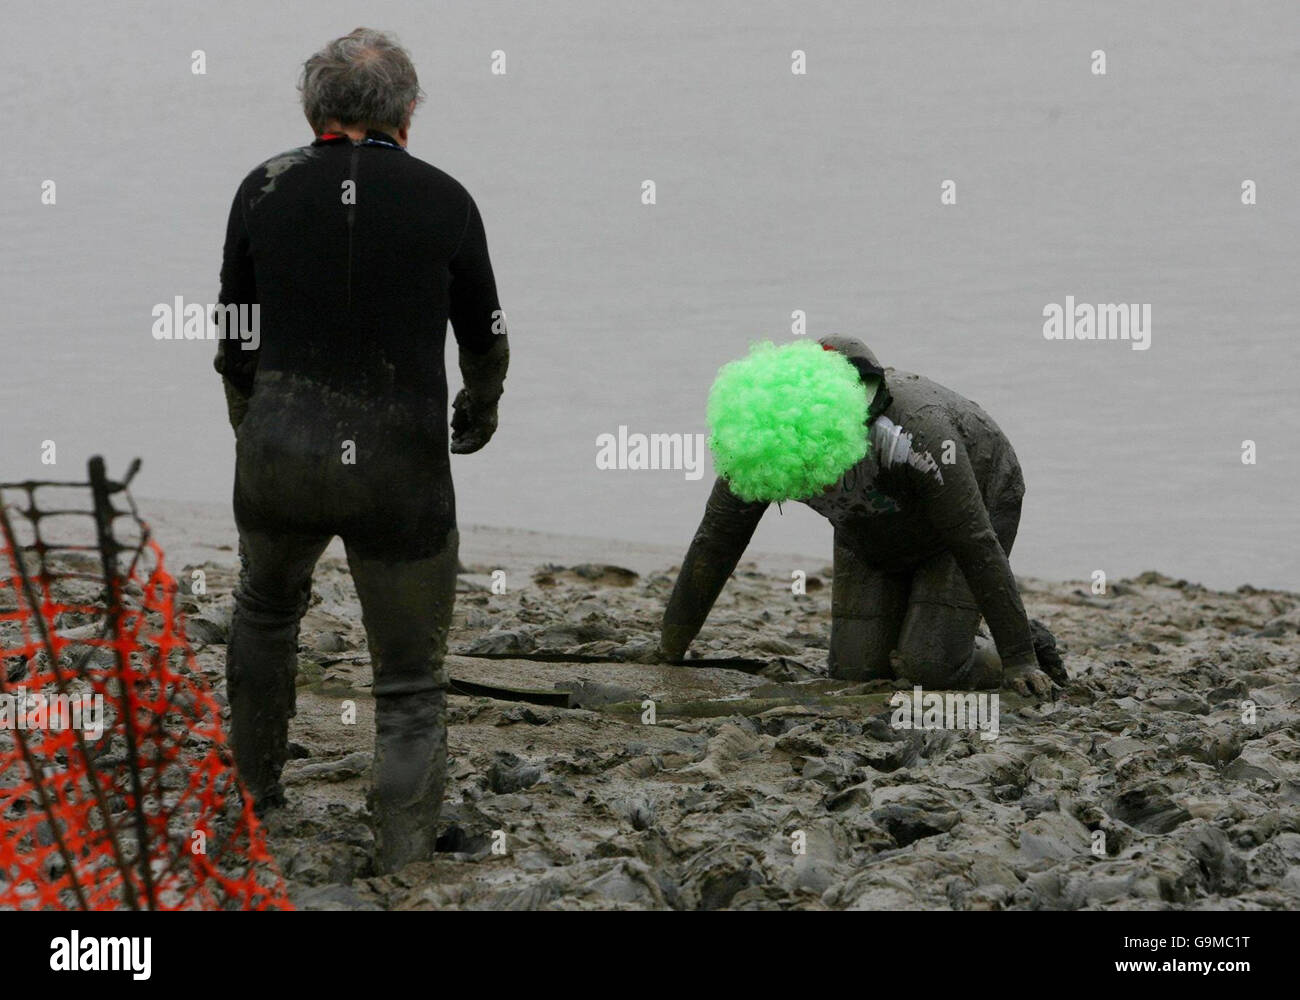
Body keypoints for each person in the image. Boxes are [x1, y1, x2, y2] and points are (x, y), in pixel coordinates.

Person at [213, 27, 509, 872]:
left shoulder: (263, 188)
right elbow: (485, 336)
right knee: (411, 676)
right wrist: (479, 408)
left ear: (313, 108)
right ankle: (404, 852)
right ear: (408, 112)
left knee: (266, 614)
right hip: (400, 466)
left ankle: (255, 799)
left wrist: (252, 427)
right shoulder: (445, 199)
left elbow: (235, 335)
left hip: (280, 449)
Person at [660, 337, 1059, 697]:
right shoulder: (761, 444)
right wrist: (670, 646)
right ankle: (934, 621)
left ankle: (1022, 639)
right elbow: (716, 541)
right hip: (867, 527)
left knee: (930, 669)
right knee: (855, 672)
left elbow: (975, 542)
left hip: (966, 517)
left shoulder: (917, 434)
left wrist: (1019, 658)